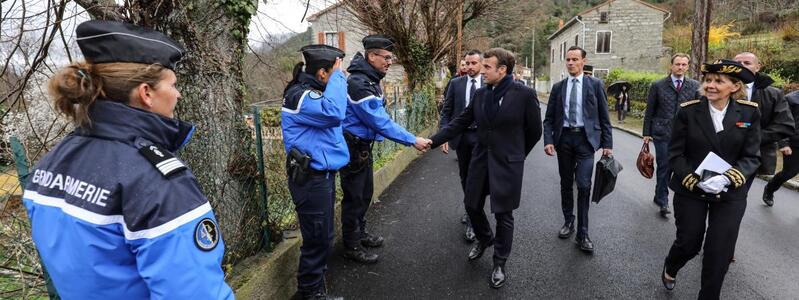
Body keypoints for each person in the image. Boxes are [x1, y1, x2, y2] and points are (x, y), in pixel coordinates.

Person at [21, 20, 233, 299]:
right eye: (173, 84)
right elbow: (194, 292)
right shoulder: (155, 180)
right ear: (146, 93)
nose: (178, 94)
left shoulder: (52, 162)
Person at [430, 48, 542, 289]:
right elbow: (460, 121)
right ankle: (484, 238)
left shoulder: (524, 94)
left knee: (503, 214)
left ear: (502, 70)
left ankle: (499, 262)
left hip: (508, 164)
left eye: (487, 67)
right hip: (480, 160)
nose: (483, 71)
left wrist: (517, 155)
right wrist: (433, 140)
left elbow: (534, 131)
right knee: (471, 204)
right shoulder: (481, 94)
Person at [661, 59, 761, 299]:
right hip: (691, 188)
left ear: (735, 87)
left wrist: (728, 178)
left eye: (719, 81)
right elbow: (675, 154)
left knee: (719, 251)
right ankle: (672, 266)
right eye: (708, 80)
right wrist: (694, 180)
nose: (711, 85)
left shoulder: (749, 112)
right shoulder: (688, 111)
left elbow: (752, 156)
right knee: (689, 243)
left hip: (730, 192)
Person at [341, 34, 431, 263]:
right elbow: (379, 121)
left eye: (391, 58)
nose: (390, 62)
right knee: (354, 198)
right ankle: (351, 246)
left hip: (362, 148)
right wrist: (413, 139)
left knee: (364, 194)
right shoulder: (359, 84)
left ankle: (360, 234)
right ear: (371, 56)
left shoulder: (370, 79)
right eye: (386, 57)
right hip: (353, 149)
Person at [281, 44, 347, 300]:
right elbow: (335, 112)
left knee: (323, 237)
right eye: (336, 72)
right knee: (317, 239)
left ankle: (315, 289)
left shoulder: (314, 93)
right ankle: (309, 294)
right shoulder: (301, 96)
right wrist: (339, 78)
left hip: (322, 178)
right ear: (322, 74)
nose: (340, 77)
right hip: (310, 180)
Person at [543, 46, 612, 253]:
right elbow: (548, 119)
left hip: (585, 141)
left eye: (574, 59)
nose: (571, 63)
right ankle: (568, 221)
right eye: (568, 59)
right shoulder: (558, 87)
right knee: (566, 183)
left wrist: (607, 144)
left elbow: (604, 116)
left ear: (583, 61)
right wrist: (549, 140)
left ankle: (583, 233)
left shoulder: (596, 84)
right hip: (564, 139)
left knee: (583, 185)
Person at [643, 53, 702, 217]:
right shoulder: (658, 85)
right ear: (671, 65)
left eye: (684, 64)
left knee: (681, 167)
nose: (680, 67)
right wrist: (646, 133)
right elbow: (650, 111)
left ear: (688, 66)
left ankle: (658, 193)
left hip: (685, 134)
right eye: (677, 64)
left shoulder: (695, 86)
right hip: (662, 133)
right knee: (664, 166)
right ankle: (663, 200)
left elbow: (699, 111)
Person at [733, 52, 795, 205]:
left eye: (747, 63)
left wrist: (754, 138)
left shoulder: (773, 94)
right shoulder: (717, 88)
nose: (742, 66)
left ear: (757, 67)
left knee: (737, 197)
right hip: (719, 151)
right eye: (738, 63)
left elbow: (784, 125)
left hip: (753, 154)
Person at [439, 49, 484, 242]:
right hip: (462, 138)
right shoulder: (456, 84)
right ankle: (470, 209)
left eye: (474, 63)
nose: (471, 67)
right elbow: (446, 111)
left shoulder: (489, 84)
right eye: (468, 63)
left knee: (479, 179)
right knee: (465, 177)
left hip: (482, 139)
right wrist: (443, 137)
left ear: (481, 64)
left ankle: (474, 219)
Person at [763, 90, 799, 205]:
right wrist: (784, 143)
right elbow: (781, 121)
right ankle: (770, 188)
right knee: (789, 172)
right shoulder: (791, 99)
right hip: (793, 143)